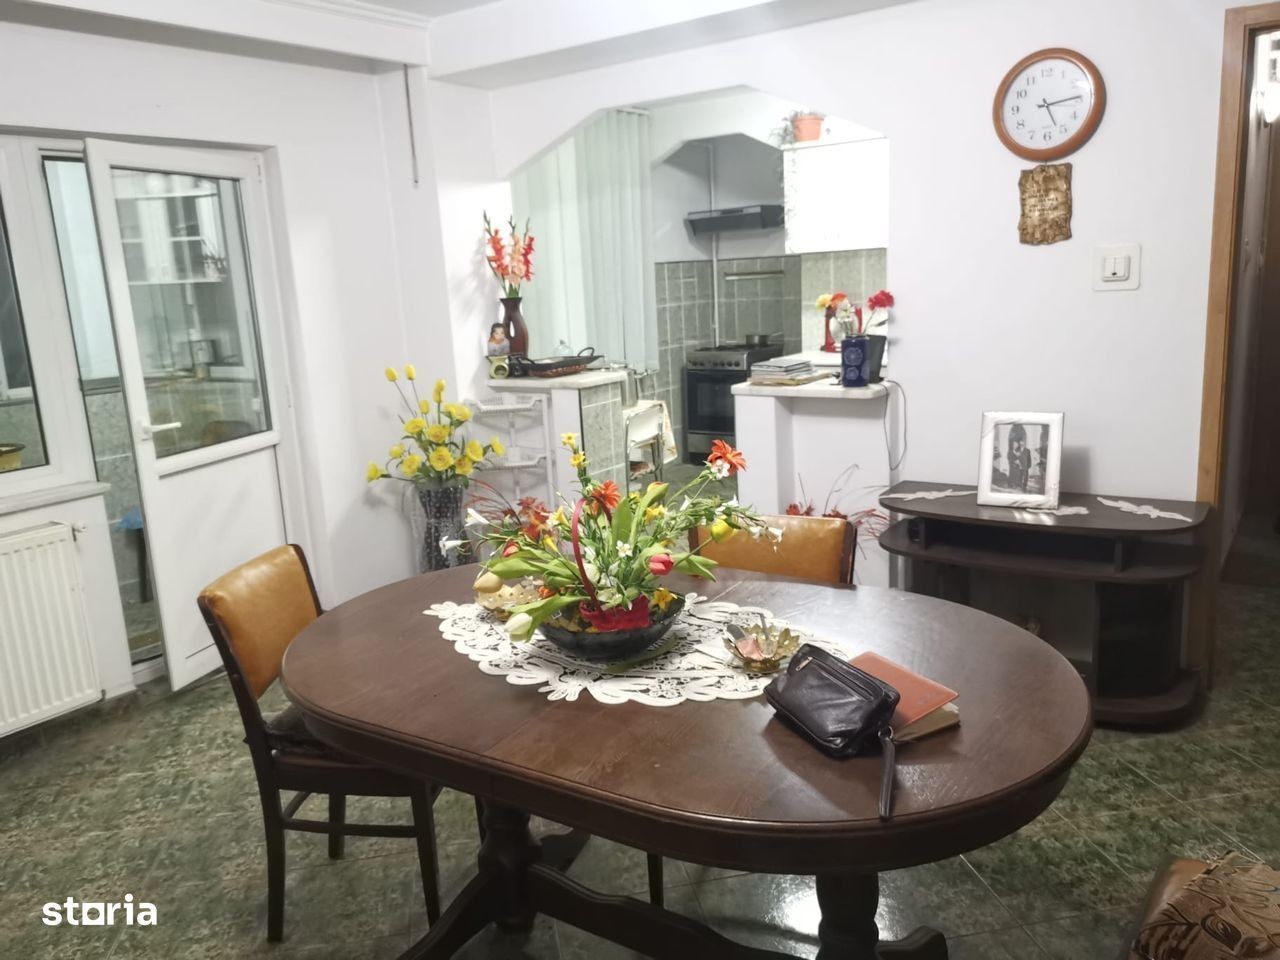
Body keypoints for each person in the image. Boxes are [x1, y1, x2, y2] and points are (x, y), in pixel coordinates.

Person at [1006, 423, 1031, 492]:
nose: (1021, 444)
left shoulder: (1027, 450)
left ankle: (1023, 487)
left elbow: (1028, 459)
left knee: (1025, 476)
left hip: (1024, 466)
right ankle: (1016, 485)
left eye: (1022, 443)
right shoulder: (1016, 451)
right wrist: (1016, 461)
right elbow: (1015, 457)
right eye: (1014, 444)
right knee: (1017, 475)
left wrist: (1028, 466)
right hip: (1017, 466)